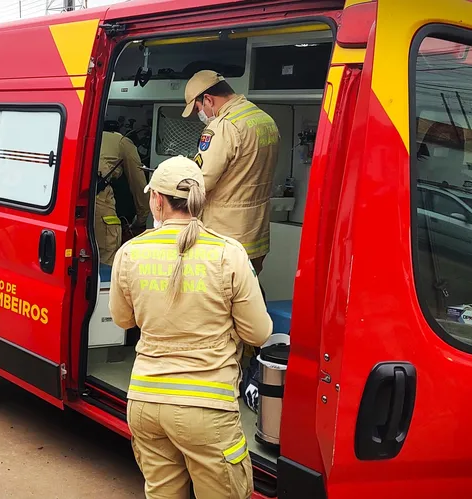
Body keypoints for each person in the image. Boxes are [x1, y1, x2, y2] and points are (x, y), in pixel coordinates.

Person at [109, 156, 272, 499]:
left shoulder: (130, 252)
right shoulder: (229, 254)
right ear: (201, 199)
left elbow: (123, 320)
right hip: (207, 409)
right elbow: (258, 333)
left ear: (157, 200)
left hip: (145, 402)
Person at [182, 70, 280, 275]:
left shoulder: (224, 125)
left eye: (198, 108)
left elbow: (201, 181)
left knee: (219, 301)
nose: (200, 115)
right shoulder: (265, 120)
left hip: (224, 235)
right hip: (256, 234)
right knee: (247, 295)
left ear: (208, 99)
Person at [97, 130, 151, 281]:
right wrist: (141, 220)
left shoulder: (76, 134)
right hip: (100, 207)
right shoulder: (123, 143)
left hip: (67, 208)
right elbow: (140, 186)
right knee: (106, 268)